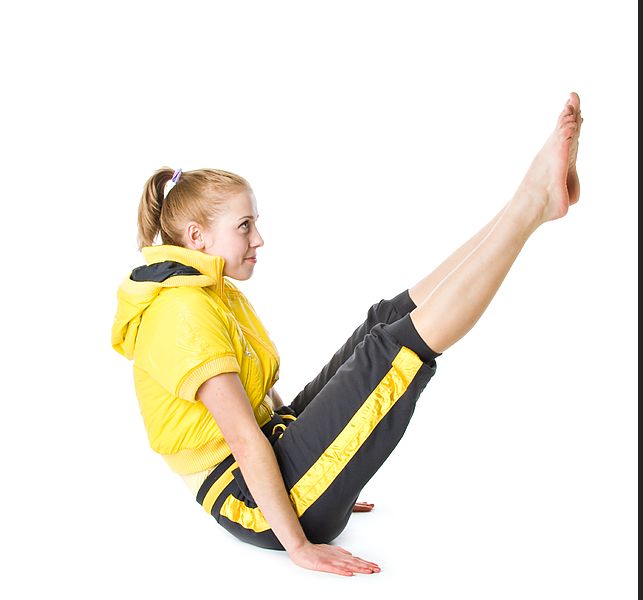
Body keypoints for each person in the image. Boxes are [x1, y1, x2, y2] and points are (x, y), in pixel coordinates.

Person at [111, 92, 583, 577]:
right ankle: (531, 207)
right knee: (393, 351)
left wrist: (328, 462)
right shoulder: (181, 313)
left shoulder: (202, 286)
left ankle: (526, 201)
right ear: (196, 237)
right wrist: (299, 543)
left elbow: (263, 405)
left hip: (275, 464)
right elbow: (242, 439)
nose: (258, 239)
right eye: (245, 225)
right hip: (254, 505)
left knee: (382, 320)